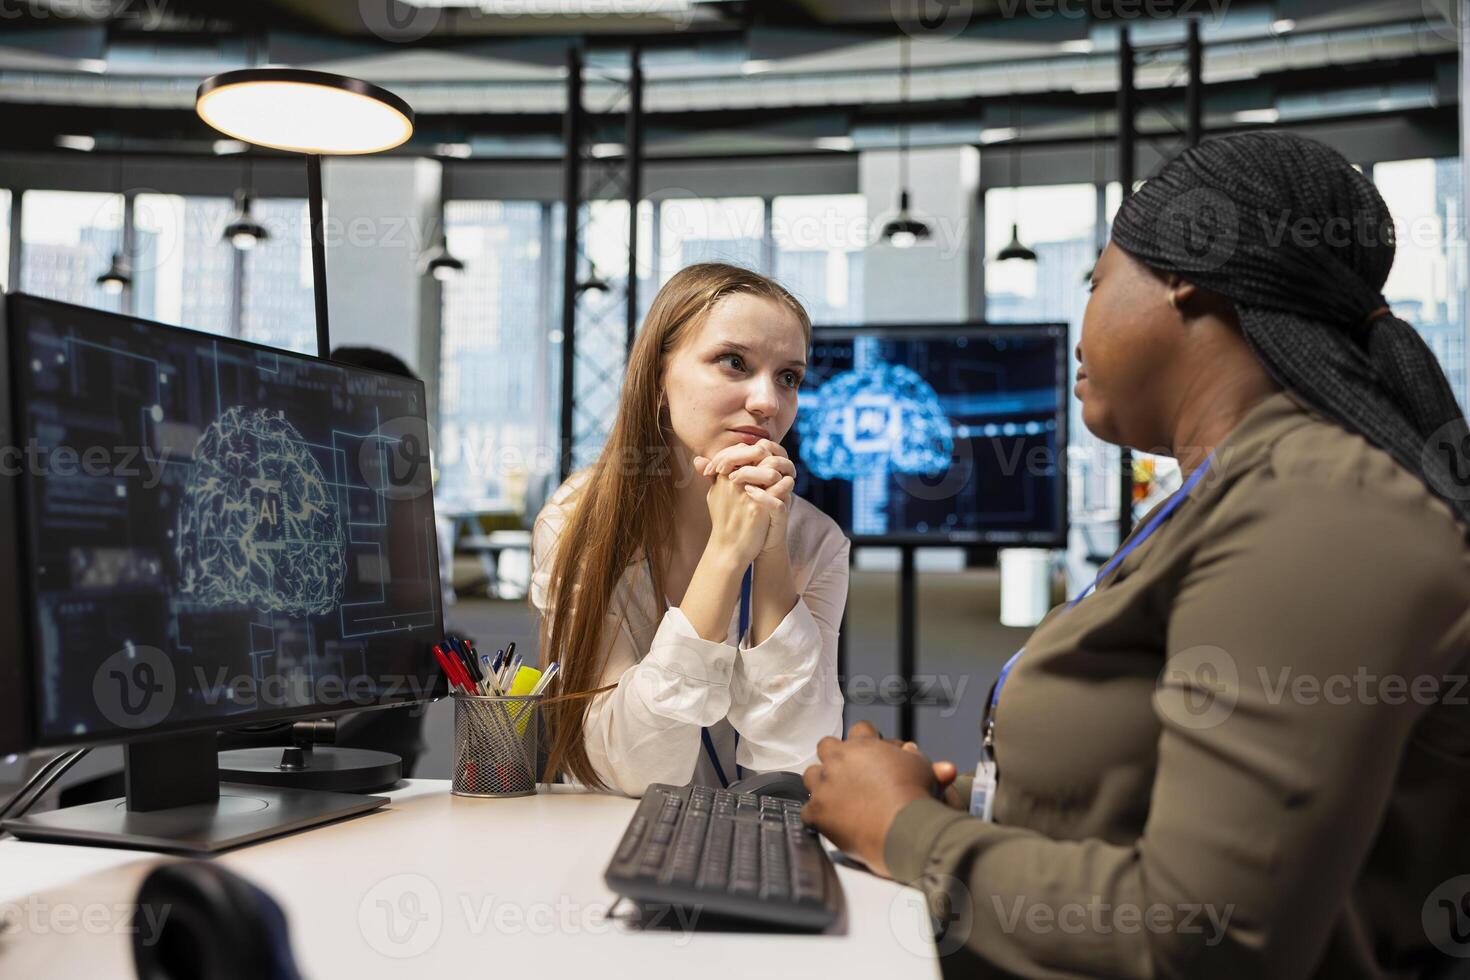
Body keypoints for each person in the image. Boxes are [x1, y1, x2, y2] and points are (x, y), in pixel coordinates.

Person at [800, 132, 1470, 978]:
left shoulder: (1318, 506)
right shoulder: (1235, 492)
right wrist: (954, 801)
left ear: (1185, 270)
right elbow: (1152, 799)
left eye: (1095, 282)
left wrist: (906, 831)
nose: (1081, 326)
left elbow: (1201, 935)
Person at [532, 262, 849, 797]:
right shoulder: (576, 519)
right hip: (603, 835)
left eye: (788, 377)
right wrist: (725, 556)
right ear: (659, 377)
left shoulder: (818, 541)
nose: (768, 402)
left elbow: (797, 757)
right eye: (734, 362)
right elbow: (632, 767)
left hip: (755, 843)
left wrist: (770, 552)